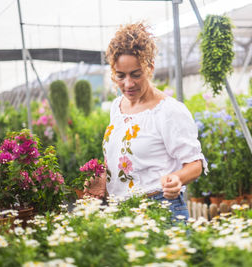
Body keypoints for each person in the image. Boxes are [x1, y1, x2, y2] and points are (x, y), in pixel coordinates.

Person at [84, 22, 207, 220]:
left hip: (159, 209)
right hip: (121, 211)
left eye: (136, 74)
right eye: (120, 76)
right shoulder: (117, 107)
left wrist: (177, 178)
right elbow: (121, 156)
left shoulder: (168, 111)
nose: (128, 83)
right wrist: (104, 180)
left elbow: (195, 164)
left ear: (150, 68)